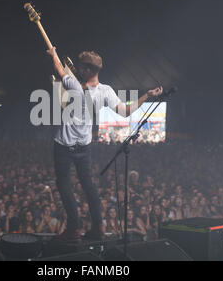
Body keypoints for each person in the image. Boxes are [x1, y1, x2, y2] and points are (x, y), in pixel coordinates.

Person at [46, 47, 163, 240]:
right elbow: (126, 111)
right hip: (83, 147)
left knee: (64, 185)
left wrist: (53, 54)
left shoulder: (75, 86)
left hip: (64, 145)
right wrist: (147, 95)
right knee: (88, 185)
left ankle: (74, 228)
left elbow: (59, 70)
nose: (78, 70)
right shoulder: (105, 91)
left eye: (81, 68)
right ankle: (98, 227)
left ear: (88, 71)